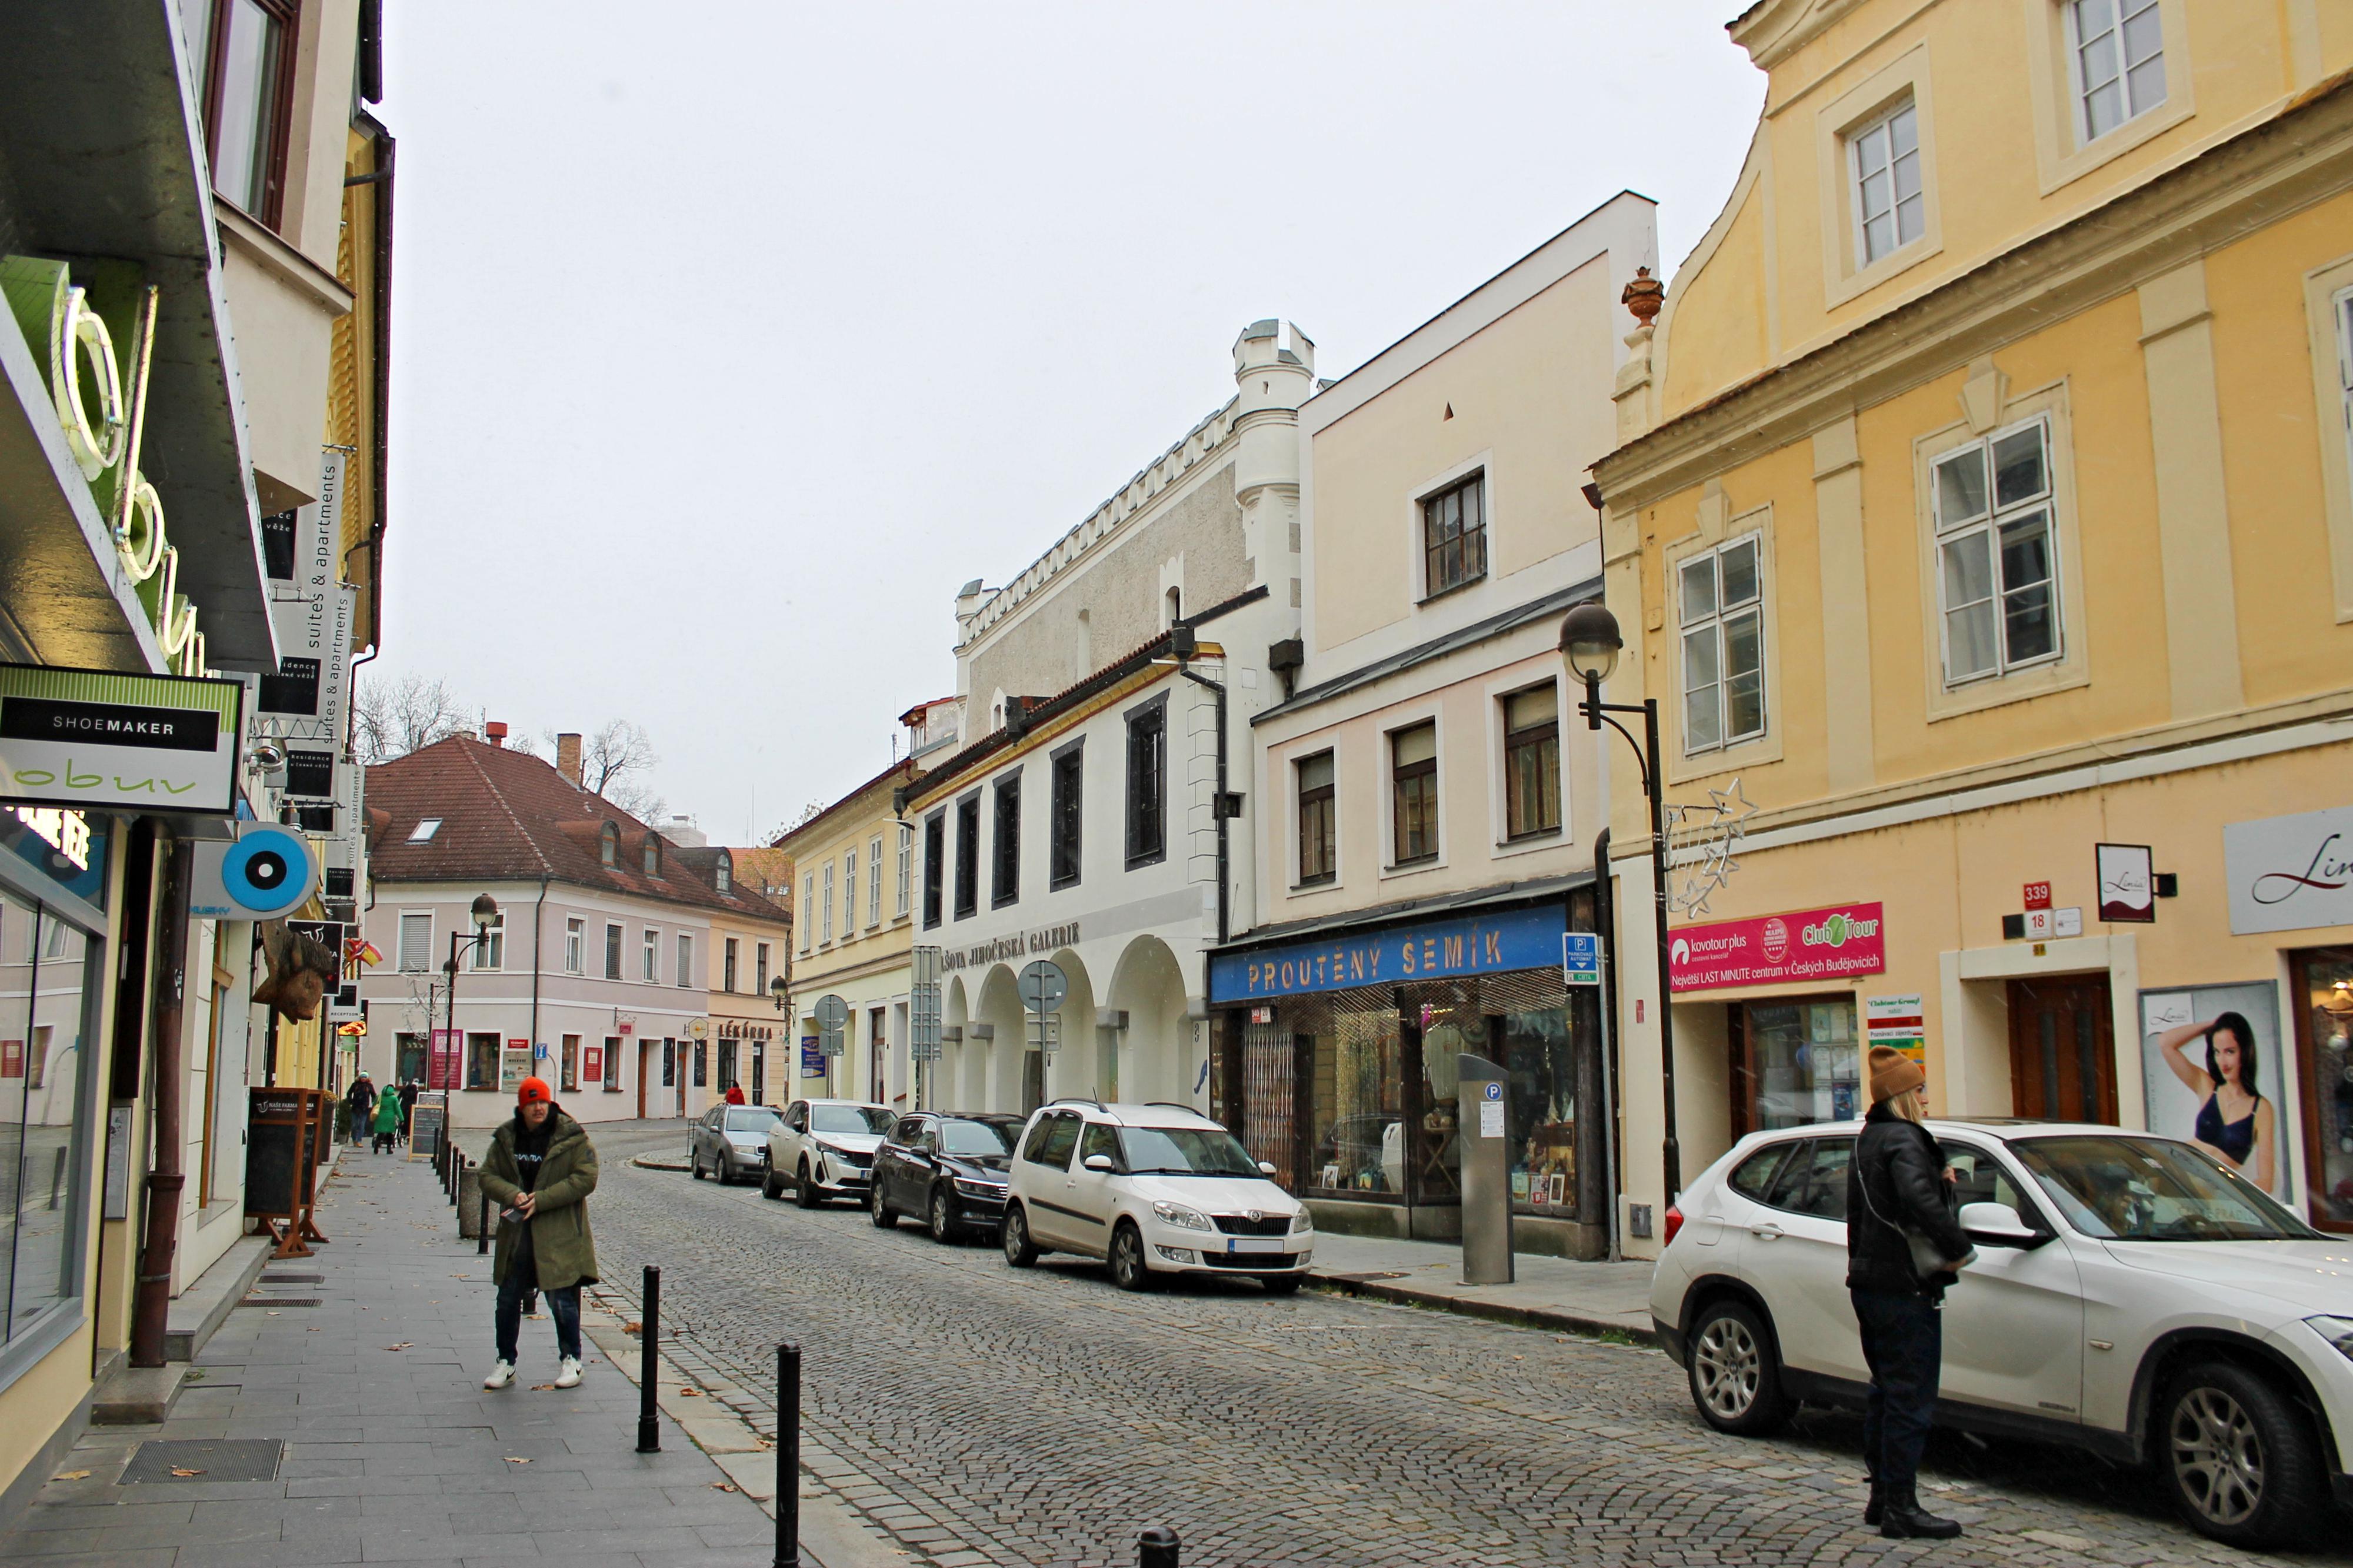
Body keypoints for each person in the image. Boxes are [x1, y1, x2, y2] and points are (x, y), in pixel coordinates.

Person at [1846, 1045, 1974, 1540]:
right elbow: (1915, 1200)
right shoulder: (1904, 1139)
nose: (1926, 1096)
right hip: (1904, 1286)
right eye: (1919, 1088)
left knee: (1884, 1391)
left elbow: (1873, 1206)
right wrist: (1957, 1246)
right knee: (1909, 1399)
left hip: (1868, 1281)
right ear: (1903, 1095)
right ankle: (1901, 1506)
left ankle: (1882, 1497)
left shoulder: (1868, 1139)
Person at [478, 1076, 599, 1391]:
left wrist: (542, 1199)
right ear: (522, 1106)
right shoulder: (507, 1138)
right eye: (532, 1103)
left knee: (562, 1300)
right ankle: (506, 1362)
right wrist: (512, 1194)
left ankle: (572, 1359)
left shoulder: (571, 1137)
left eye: (542, 1102)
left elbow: (586, 1178)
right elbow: (487, 1176)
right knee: (507, 1300)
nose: (538, 1108)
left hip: (557, 1234)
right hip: (517, 1235)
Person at [2158, 1013, 2275, 1190]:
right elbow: (2166, 1042)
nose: (2223, 1062)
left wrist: (2232, 1202)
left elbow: (2266, 1183)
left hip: (2206, 1199)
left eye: (2230, 1052)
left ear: (2245, 1051)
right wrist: (2211, 1025)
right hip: (2172, 1177)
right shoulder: (2207, 1086)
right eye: (2217, 1052)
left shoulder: (2261, 1108)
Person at [370, 1083, 402, 1154]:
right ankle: (389, 1149)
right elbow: (398, 1110)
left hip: (380, 1117)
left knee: (381, 1133)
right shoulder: (394, 1099)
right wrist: (402, 1119)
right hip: (390, 1118)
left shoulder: (379, 1097)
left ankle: (376, 1145)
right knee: (390, 1134)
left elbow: (374, 1105)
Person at [345, 1074, 376, 1147]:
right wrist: (351, 1101)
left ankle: (359, 1140)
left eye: (365, 1077)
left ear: (367, 1078)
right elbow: (349, 1093)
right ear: (360, 1078)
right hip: (355, 1107)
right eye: (362, 1077)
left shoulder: (369, 1086)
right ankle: (354, 1139)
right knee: (354, 1125)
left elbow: (374, 1095)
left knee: (362, 1125)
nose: (363, 1079)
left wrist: (373, 1103)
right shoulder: (355, 1085)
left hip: (364, 1108)